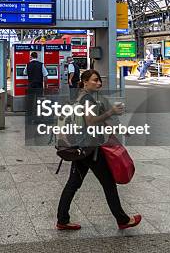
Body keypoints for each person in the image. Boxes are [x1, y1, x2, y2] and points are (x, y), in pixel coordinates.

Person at [56, 69, 141, 230]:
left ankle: (62, 219)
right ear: (85, 81)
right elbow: (91, 121)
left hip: (80, 148)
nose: (98, 83)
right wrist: (112, 111)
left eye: (99, 80)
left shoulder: (80, 97)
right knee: (108, 184)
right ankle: (123, 220)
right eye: (94, 80)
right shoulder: (87, 99)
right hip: (91, 149)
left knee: (73, 184)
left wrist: (120, 130)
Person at [24, 52, 48, 122]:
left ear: (31, 57)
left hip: (31, 85)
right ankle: (38, 119)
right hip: (39, 86)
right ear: (37, 56)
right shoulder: (41, 65)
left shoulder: (28, 65)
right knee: (39, 102)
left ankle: (29, 119)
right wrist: (45, 84)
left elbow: (24, 73)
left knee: (30, 102)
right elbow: (45, 75)